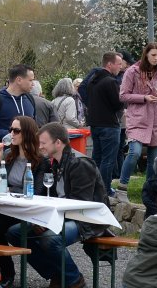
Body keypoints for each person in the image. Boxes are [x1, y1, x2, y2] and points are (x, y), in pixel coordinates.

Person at [7, 123, 109, 288]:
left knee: (51, 238)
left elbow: (79, 205)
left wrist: (47, 221)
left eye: (43, 143)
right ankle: (57, 274)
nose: (39, 147)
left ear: (58, 143)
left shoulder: (80, 163)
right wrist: (42, 219)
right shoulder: (55, 163)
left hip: (88, 219)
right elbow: (53, 198)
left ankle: (74, 280)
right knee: (15, 233)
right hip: (65, 215)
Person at [0, 115, 45, 285]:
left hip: (26, 210)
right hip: (7, 206)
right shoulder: (9, 155)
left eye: (16, 130)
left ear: (28, 133)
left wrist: (9, 189)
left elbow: (35, 191)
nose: (11, 133)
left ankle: (6, 272)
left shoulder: (40, 160)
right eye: (10, 130)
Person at [118, 43, 157, 191]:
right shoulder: (132, 72)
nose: (156, 58)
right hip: (138, 118)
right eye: (153, 55)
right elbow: (123, 95)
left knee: (154, 159)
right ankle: (122, 186)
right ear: (146, 55)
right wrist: (144, 97)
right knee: (134, 152)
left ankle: (149, 189)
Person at [0, 64, 36, 170]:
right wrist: (10, 135)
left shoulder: (30, 99)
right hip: (4, 158)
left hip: (28, 157)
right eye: (30, 80)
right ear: (19, 80)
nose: (33, 84)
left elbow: (34, 125)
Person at [86, 52, 127, 196]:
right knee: (108, 160)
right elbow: (117, 103)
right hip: (109, 124)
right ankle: (105, 189)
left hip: (95, 123)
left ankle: (94, 187)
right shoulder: (110, 81)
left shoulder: (92, 80)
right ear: (109, 64)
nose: (120, 67)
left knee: (96, 158)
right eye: (118, 64)